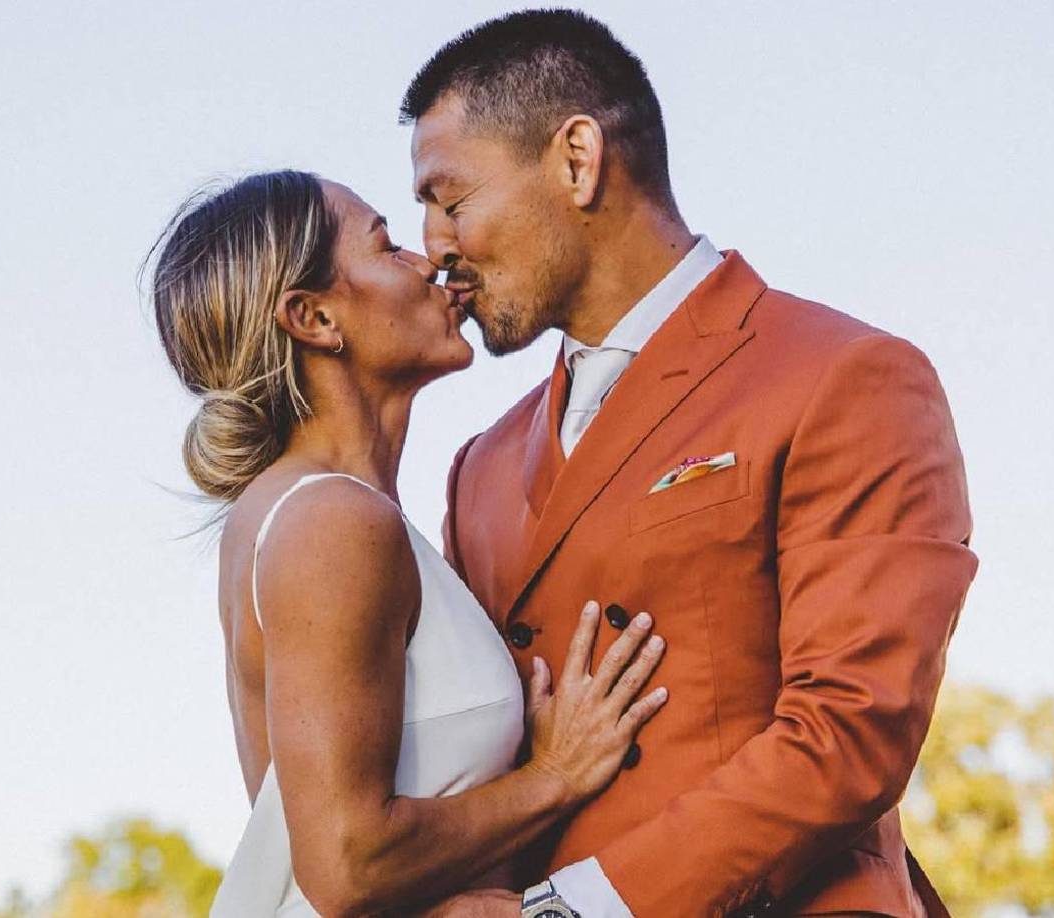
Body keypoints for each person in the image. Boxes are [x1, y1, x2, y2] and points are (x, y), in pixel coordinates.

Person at [405, 9, 978, 917]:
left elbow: (852, 729)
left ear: (578, 159)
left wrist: (571, 910)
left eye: (450, 199)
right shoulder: (480, 467)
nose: (435, 247)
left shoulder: (844, 375)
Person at [147, 170, 670, 917]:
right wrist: (552, 778)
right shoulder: (331, 521)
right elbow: (346, 865)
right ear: (314, 317)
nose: (429, 262)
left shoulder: (300, 513)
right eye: (387, 246)